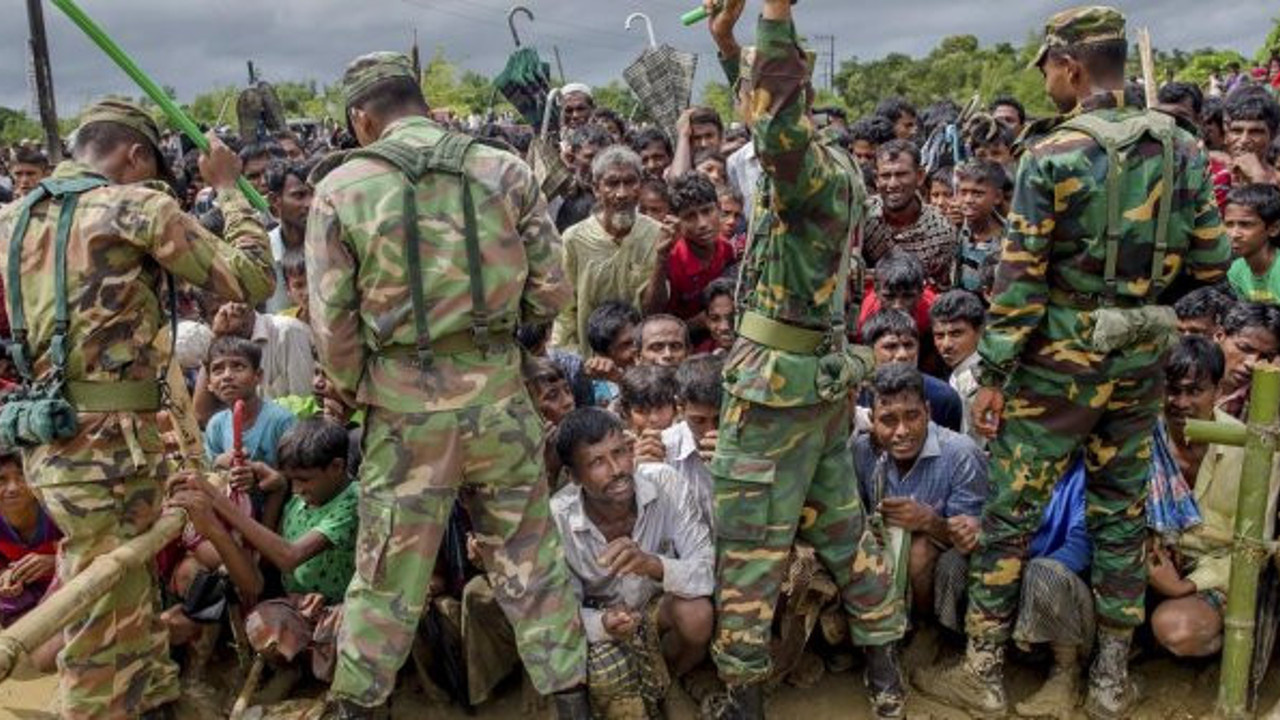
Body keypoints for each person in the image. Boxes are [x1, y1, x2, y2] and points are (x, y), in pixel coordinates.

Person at [916, 8, 1231, 719]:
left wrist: (992, 374)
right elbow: (1212, 259)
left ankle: (984, 673)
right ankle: (1112, 682)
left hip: (1054, 371)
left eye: (1050, 67)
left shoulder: (1051, 154)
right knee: (1121, 518)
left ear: (1073, 65)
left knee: (1009, 518)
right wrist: (1142, 296)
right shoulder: (1181, 145)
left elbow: (1020, 281)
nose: (1049, 80)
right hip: (1139, 363)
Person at [307, 52, 588, 717]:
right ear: (424, 105)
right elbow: (553, 287)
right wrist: (508, 343)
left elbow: (332, 323)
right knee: (531, 561)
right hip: (497, 396)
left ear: (362, 118)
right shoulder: (504, 168)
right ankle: (571, 703)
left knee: (386, 576)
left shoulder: (342, 188)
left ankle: (359, 705)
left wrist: (354, 389)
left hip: (405, 411)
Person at [0, 98, 275, 719]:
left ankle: (150, 698)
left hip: (49, 440)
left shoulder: (13, 217)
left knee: (123, 586)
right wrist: (228, 190)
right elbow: (253, 277)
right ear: (136, 154)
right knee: (103, 616)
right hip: (110, 446)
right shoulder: (134, 206)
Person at [700, 2, 907, 717]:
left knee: (751, 545)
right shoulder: (828, 165)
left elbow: (774, 119)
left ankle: (744, 695)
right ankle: (885, 671)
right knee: (845, 531)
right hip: (812, 385)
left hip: (775, 396)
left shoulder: (807, 174)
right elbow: (767, 115)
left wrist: (775, 17)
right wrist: (727, 45)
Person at [551, 408, 714, 714]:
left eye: (620, 452)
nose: (616, 469)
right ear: (573, 476)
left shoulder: (666, 482)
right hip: (605, 621)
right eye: (597, 462)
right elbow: (560, 613)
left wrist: (653, 565)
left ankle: (673, 678)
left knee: (697, 615)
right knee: (609, 685)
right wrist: (604, 624)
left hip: (657, 610)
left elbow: (705, 571)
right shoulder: (558, 517)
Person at [178, 419, 358, 683]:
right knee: (264, 623)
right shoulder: (302, 496)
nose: (298, 489)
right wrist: (279, 492)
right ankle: (292, 670)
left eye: (304, 480)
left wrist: (217, 501)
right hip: (297, 605)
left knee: (347, 637)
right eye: (292, 481)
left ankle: (323, 674)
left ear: (337, 467)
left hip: (340, 607)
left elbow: (289, 557)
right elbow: (270, 548)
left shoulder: (353, 501)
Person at [1150, 336, 1280, 657]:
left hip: (1211, 569)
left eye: (1194, 391)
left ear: (1218, 392)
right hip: (1149, 562)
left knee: (1177, 630)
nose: (1180, 402)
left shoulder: (1254, 452)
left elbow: (1254, 549)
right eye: (1173, 389)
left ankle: (1218, 646)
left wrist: (1186, 586)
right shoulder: (1143, 438)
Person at [853, 364, 987, 622]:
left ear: (928, 412)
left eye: (912, 416)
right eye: (888, 420)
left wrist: (929, 521)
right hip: (879, 557)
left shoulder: (961, 453)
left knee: (918, 551)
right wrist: (868, 531)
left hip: (944, 563)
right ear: (872, 419)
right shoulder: (862, 451)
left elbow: (969, 541)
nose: (902, 431)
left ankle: (925, 628)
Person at [552, 146, 674, 353]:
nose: (622, 193)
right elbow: (565, 311)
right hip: (590, 357)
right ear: (596, 188)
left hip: (640, 357)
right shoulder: (574, 239)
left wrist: (662, 257)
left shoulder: (656, 234)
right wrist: (565, 356)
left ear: (641, 185)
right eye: (612, 183)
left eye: (630, 182)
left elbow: (653, 309)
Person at [863, 140, 959, 290]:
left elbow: (940, 291)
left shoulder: (942, 231)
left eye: (901, 174)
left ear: (920, 176)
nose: (893, 184)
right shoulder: (862, 217)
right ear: (876, 179)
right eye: (886, 176)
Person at [203, 336, 298, 472]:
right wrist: (220, 462)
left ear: (258, 376)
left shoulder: (281, 421)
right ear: (210, 383)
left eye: (238, 367)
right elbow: (212, 472)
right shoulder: (216, 425)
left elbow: (298, 476)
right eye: (218, 370)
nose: (227, 376)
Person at [861, 309, 964, 432]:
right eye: (891, 347)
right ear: (869, 351)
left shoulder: (943, 398)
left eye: (909, 345)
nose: (902, 355)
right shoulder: (853, 396)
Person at [662, 354, 722, 531]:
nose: (710, 430)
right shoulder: (665, 449)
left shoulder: (753, 444)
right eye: (699, 420)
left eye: (719, 420)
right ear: (680, 407)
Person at [0, 453, 60, 627]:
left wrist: (54, 561)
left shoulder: (58, 512)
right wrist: (5, 576)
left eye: (22, 477)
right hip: (26, 594)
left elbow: (94, 551)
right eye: (1, 480)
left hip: (67, 587)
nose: (13, 488)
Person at [666, 173, 735, 323]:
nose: (702, 224)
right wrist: (701, 322)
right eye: (690, 216)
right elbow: (664, 322)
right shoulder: (671, 262)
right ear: (677, 220)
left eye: (707, 211)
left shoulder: (727, 249)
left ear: (718, 208)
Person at [929, 290, 986, 442]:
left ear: (979, 332)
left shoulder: (972, 380)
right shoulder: (960, 374)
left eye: (956, 334)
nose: (946, 345)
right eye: (939, 336)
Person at [1213, 302, 1280, 419]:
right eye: (1245, 348)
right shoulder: (1181, 379)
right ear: (1219, 336)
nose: (1252, 363)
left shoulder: (1270, 405)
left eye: (1265, 357)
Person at [265, 159, 315, 313]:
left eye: (314, 194)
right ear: (275, 201)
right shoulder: (263, 253)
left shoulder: (337, 245)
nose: (310, 203)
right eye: (299, 195)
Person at [951, 160, 1007, 294]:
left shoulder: (1010, 241)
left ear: (997, 197)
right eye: (963, 192)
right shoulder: (956, 228)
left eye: (978, 193)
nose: (968, 200)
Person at [1224, 183, 1280, 303]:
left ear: (1273, 228)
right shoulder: (1235, 271)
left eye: (1245, 225)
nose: (1234, 234)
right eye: (1229, 224)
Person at [584, 300, 641, 406]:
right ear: (603, 354)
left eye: (639, 339)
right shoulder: (591, 392)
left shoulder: (658, 371)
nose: (636, 349)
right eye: (626, 344)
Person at [702, 278, 737, 353]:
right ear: (707, 321)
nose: (724, 327)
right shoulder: (701, 354)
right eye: (715, 319)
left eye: (732, 318)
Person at [279, 249, 311, 323]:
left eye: (312, 283)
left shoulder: (340, 320)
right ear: (288, 290)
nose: (307, 292)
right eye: (299, 286)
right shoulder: (284, 322)